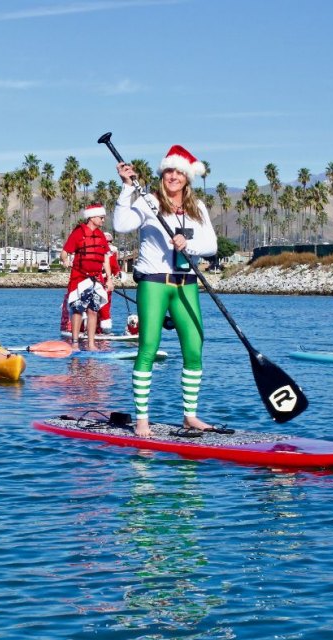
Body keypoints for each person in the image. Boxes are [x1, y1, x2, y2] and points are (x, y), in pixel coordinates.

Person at [113, 144, 218, 437]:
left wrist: (189, 245)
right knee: (147, 347)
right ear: (163, 174)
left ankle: (190, 417)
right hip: (154, 283)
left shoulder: (198, 209)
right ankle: (142, 420)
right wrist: (126, 188)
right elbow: (120, 225)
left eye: (179, 172)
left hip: (186, 283)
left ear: (187, 177)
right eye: (168, 171)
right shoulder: (148, 202)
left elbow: (211, 245)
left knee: (195, 347)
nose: (173, 176)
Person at [60, 203, 113, 350]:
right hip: (79, 278)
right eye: (101, 217)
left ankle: (91, 344)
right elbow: (64, 253)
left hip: (95, 280)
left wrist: (109, 279)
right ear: (92, 217)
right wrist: (65, 260)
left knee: (93, 310)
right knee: (77, 309)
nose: (103, 220)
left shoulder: (101, 236)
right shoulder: (78, 233)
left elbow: (105, 258)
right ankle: (75, 343)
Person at [98, 230, 122, 333]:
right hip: (96, 282)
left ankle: (103, 328)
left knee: (105, 305)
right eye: (106, 242)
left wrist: (118, 274)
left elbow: (115, 268)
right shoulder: (98, 253)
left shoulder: (112, 256)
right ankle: (91, 327)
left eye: (110, 242)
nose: (108, 244)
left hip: (106, 283)